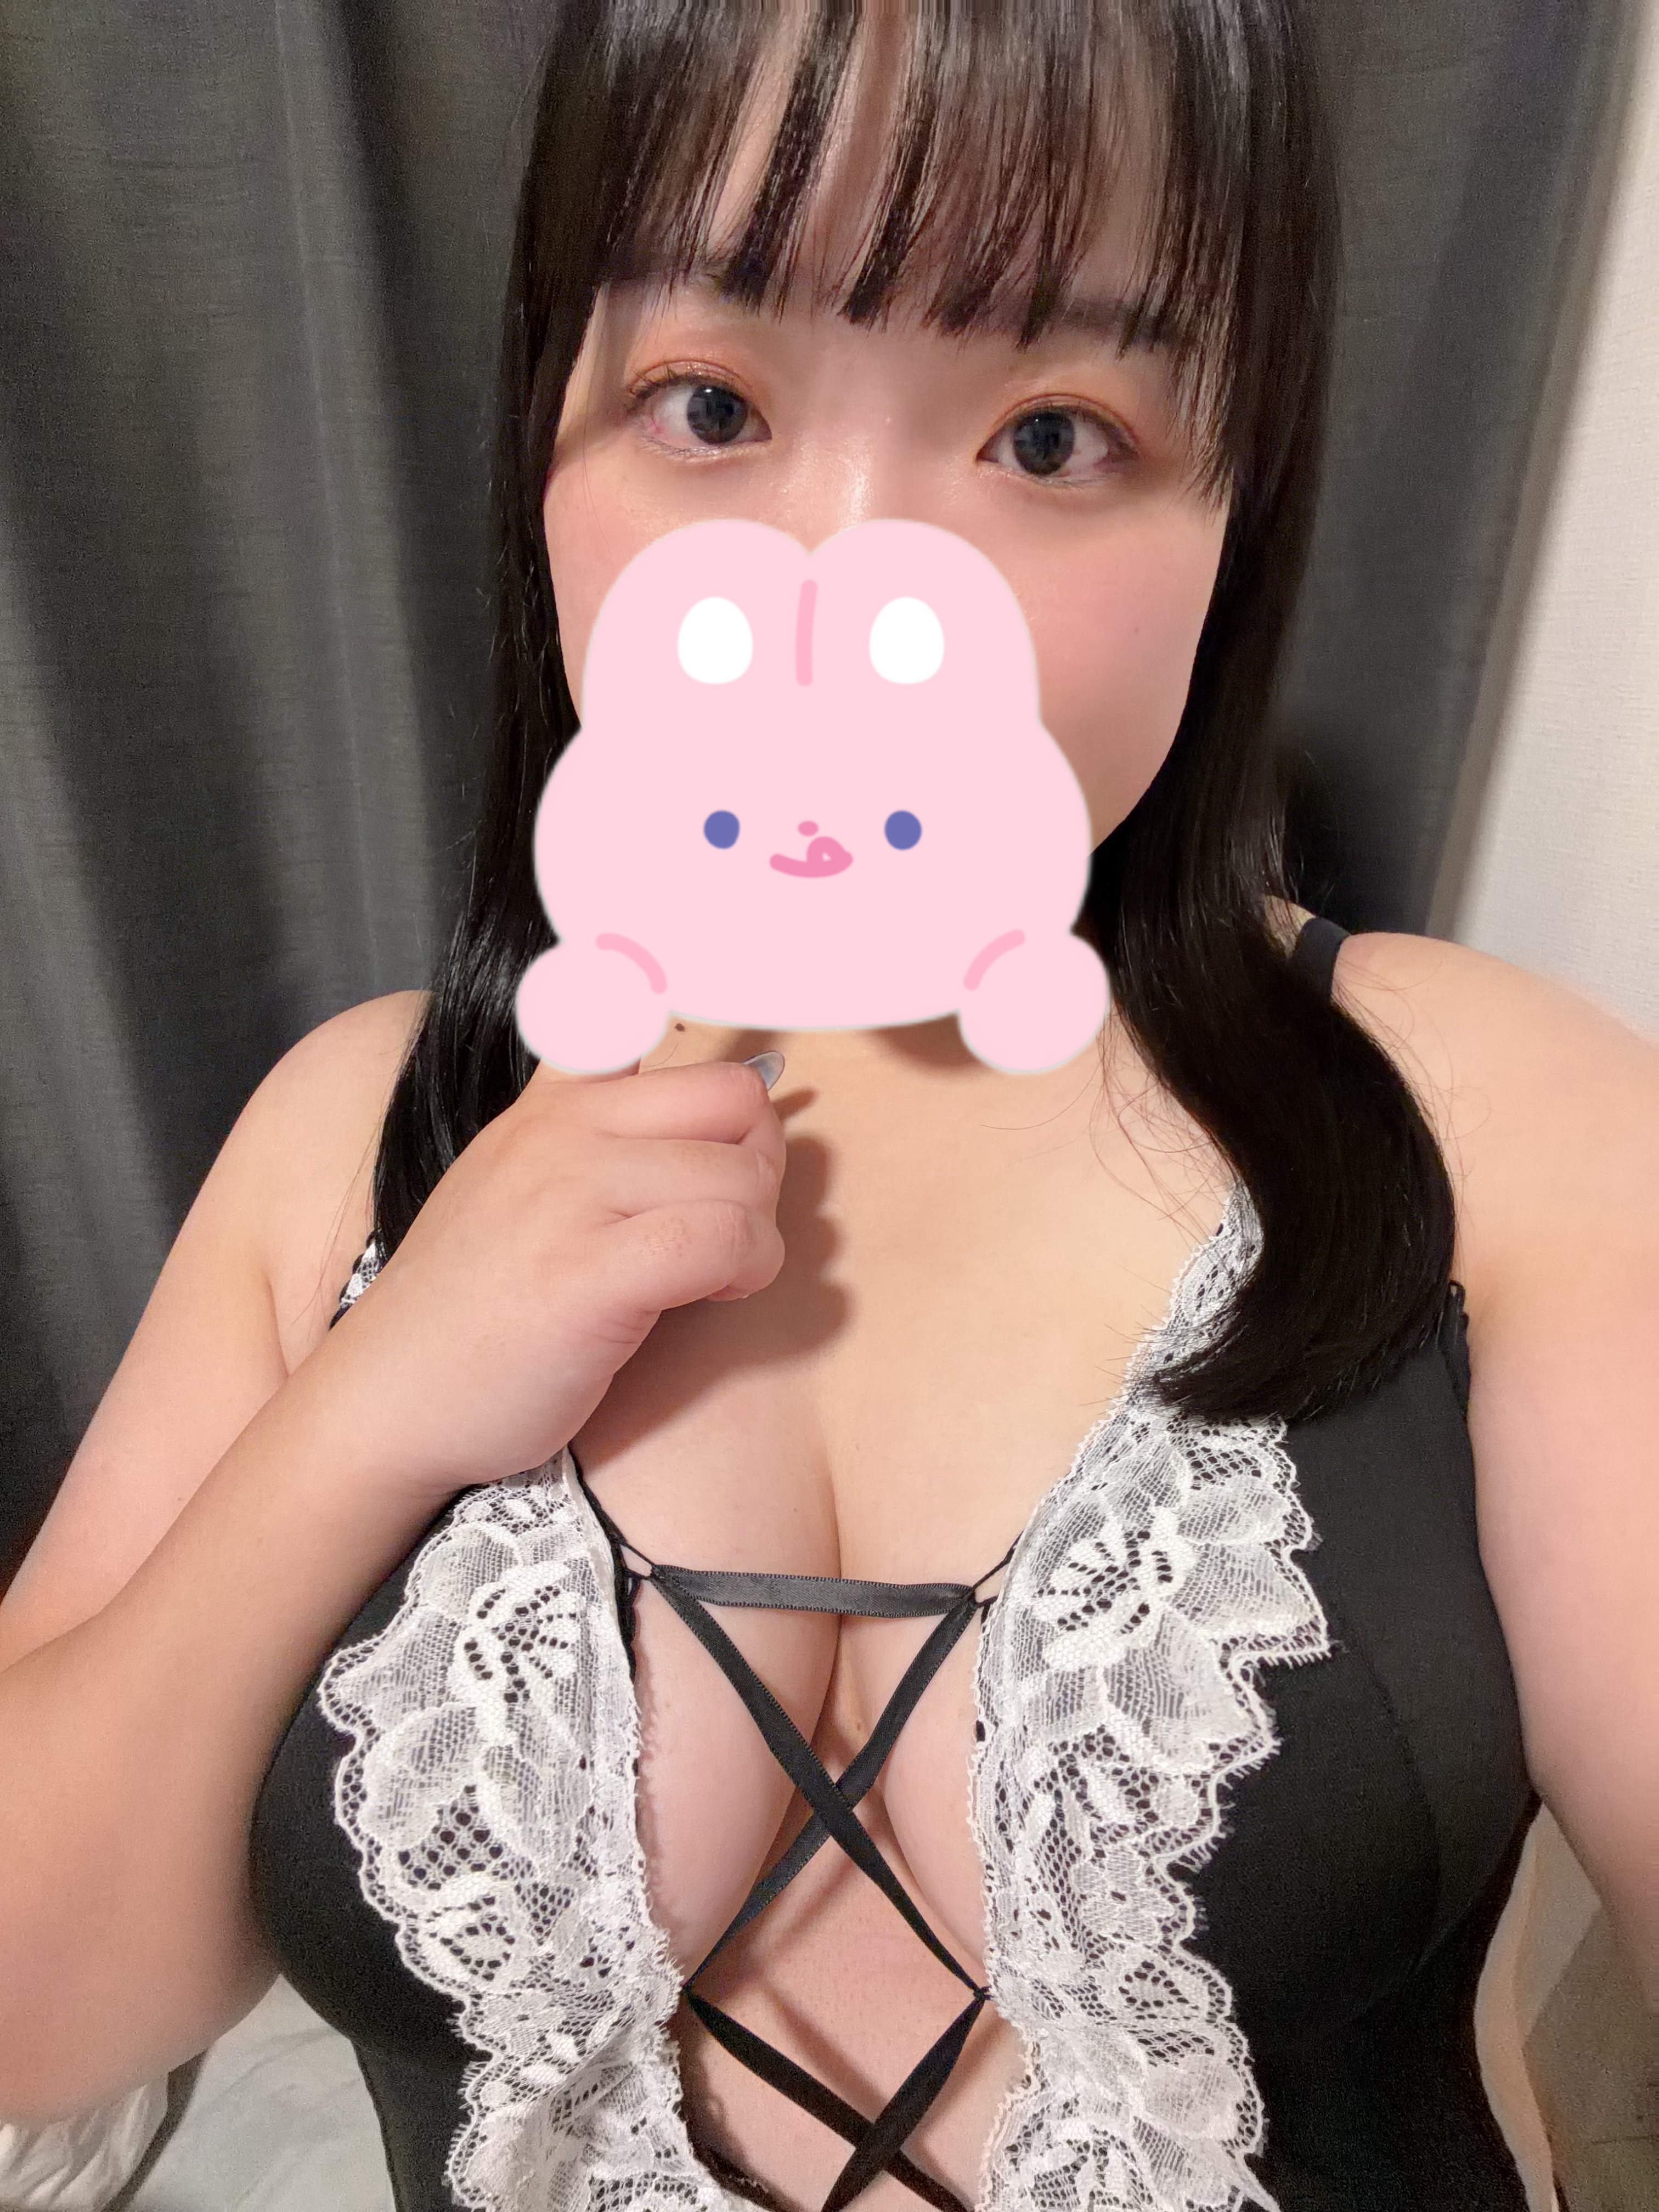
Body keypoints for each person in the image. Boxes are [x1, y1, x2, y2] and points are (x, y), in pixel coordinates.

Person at [0, 2, 1654, 2208]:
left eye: (1053, 436)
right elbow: (40, 2006)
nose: (848, 585)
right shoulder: (356, 1135)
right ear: (545, 446)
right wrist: (375, 1404)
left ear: (1235, 509)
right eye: (712, 405)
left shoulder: (1500, 1130)